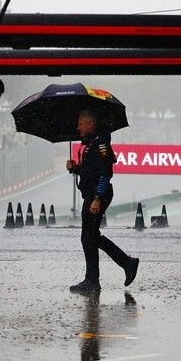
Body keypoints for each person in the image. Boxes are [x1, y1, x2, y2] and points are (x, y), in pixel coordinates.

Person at [65, 108, 139, 293]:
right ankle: (122, 265)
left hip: (98, 194)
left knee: (89, 236)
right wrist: (76, 168)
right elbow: (90, 171)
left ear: (90, 124)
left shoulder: (101, 144)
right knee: (90, 236)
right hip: (91, 193)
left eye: (81, 124)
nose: (78, 127)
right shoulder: (90, 143)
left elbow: (106, 173)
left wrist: (97, 198)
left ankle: (95, 279)